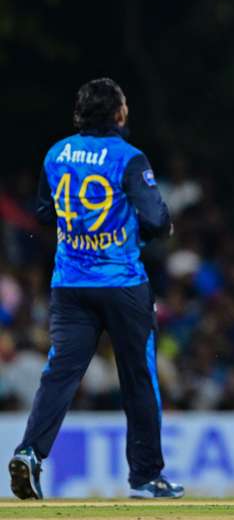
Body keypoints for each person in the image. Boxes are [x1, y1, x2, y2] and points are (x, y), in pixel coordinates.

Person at [8, 78, 182, 499]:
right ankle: (145, 477)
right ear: (118, 114)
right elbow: (157, 220)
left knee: (60, 374)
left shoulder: (56, 153)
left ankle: (31, 452)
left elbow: (45, 214)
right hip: (122, 283)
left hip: (69, 284)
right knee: (139, 378)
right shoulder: (129, 157)